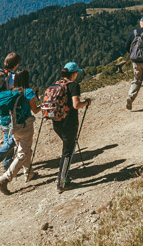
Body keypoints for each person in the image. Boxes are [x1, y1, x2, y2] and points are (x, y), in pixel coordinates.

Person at [0, 69, 41, 194]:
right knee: (23, 152)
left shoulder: (11, 92)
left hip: (12, 127)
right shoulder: (28, 92)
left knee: (25, 149)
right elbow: (35, 110)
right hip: (25, 126)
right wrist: (42, 104)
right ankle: (4, 179)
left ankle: (29, 173)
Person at [49, 62, 91, 192]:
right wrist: (87, 102)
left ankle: (64, 176)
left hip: (56, 122)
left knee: (68, 148)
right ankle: (61, 183)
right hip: (69, 123)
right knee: (67, 152)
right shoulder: (73, 85)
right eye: (76, 72)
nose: (77, 75)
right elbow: (76, 104)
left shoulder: (56, 84)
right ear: (73, 73)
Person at [0, 52, 22, 176]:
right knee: (14, 138)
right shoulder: (11, 76)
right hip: (10, 110)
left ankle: (7, 165)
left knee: (7, 136)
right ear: (16, 64)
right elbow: (13, 92)